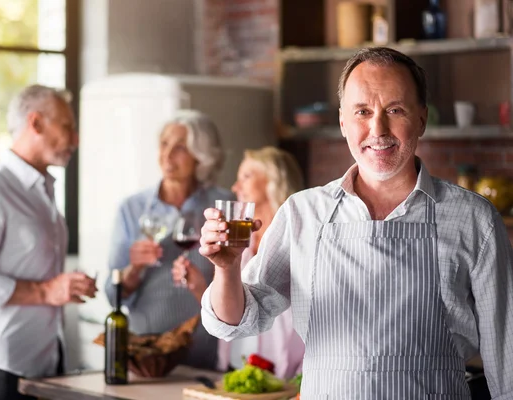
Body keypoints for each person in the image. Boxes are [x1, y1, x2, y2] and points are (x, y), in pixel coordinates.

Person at [199, 47, 513, 398]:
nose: (377, 129)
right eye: (362, 111)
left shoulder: (474, 219)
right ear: (343, 122)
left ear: (422, 119)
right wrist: (226, 269)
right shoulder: (303, 213)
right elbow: (237, 322)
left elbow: (506, 353)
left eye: (395, 110)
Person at [0, 84, 97, 400]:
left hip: (45, 366)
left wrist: (64, 287)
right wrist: (46, 291)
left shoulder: (43, 190)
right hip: (2, 373)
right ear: (36, 123)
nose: (76, 139)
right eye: (68, 126)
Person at [105, 109, 233, 370]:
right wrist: (135, 268)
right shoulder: (132, 208)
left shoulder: (225, 205)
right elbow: (112, 294)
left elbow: (239, 280)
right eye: (164, 144)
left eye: (180, 147)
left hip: (204, 356)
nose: (167, 154)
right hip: (148, 358)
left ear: (201, 155)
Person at [172, 146, 306, 378]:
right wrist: (200, 288)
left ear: (274, 179)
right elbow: (239, 312)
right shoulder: (240, 240)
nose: (235, 187)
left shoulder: (301, 237)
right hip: (240, 368)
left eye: (246, 176)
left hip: (291, 375)